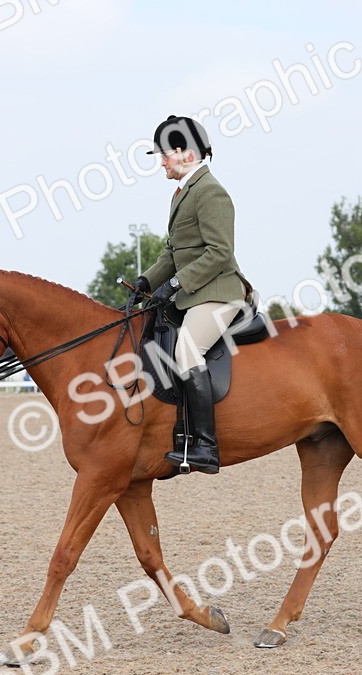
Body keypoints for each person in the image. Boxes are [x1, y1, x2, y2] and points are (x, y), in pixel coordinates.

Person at [133, 114, 252, 475]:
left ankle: (205, 445)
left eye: (164, 154)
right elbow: (173, 254)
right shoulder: (184, 193)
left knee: (187, 349)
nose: (162, 163)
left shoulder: (210, 191)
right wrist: (147, 282)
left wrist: (176, 284)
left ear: (184, 151)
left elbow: (219, 252)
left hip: (219, 291)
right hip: (194, 291)